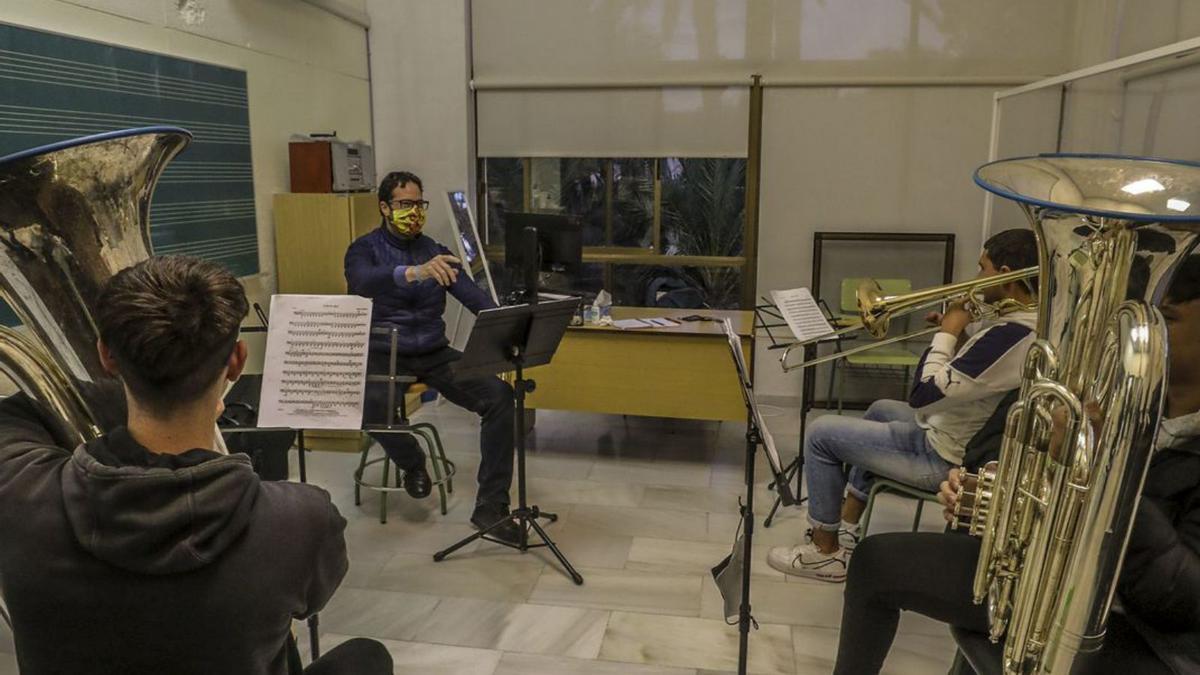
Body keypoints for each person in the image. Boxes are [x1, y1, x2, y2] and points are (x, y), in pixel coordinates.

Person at [0, 256, 391, 674]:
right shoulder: (302, 520)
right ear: (237, 361)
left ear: (106, 358)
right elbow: (313, 598)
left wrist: (143, 377)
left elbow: (24, 410)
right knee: (367, 657)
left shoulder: (18, 492)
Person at [833, 254, 1200, 675]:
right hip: (1056, 575)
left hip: (1142, 630)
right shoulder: (1123, 399)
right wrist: (988, 494)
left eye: (1166, 321)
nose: (1138, 341)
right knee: (876, 562)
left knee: (828, 435)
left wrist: (1106, 473)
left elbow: (1186, 601)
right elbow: (992, 446)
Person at [767, 229, 1040, 582]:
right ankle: (847, 526)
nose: (975, 279)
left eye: (982, 269)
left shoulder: (1011, 334)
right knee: (881, 408)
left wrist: (947, 332)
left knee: (820, 434)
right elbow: (978, 374)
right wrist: (954, 334)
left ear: (1004, 276)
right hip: (956, 431)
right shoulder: (1021, 326)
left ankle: (824, 553)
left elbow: (924, 394)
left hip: (944, 457)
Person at [345, 171, 519, 543]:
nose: (414, 212)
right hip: (382, 353)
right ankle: (413, 462)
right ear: (384, 208)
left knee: (500, 399)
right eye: (405, 204)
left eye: (419, 204)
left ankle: (491, 505)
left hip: (434, 352)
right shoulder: (364, 249)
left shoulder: (434, 251)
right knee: (371, 411)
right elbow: (363, 280)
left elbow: (476, 301)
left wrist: (507, 327)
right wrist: (413, 272)